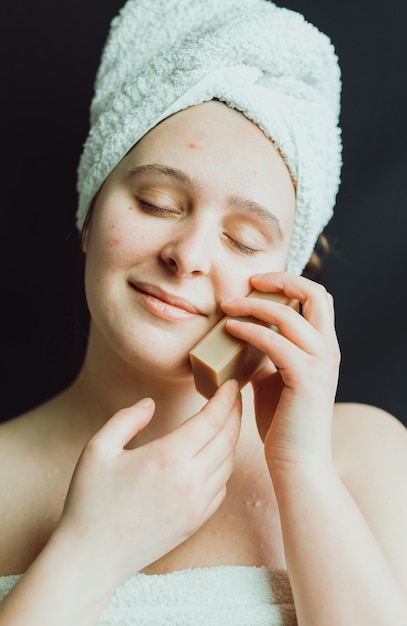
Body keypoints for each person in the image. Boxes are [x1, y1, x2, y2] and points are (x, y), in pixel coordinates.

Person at [0, 0, 406, 624]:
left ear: (286, 281)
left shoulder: (365, 457)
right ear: (90, 213)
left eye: (243, 240)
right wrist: (87, 554)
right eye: (158, 202)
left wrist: (302, 474)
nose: (188, 255)